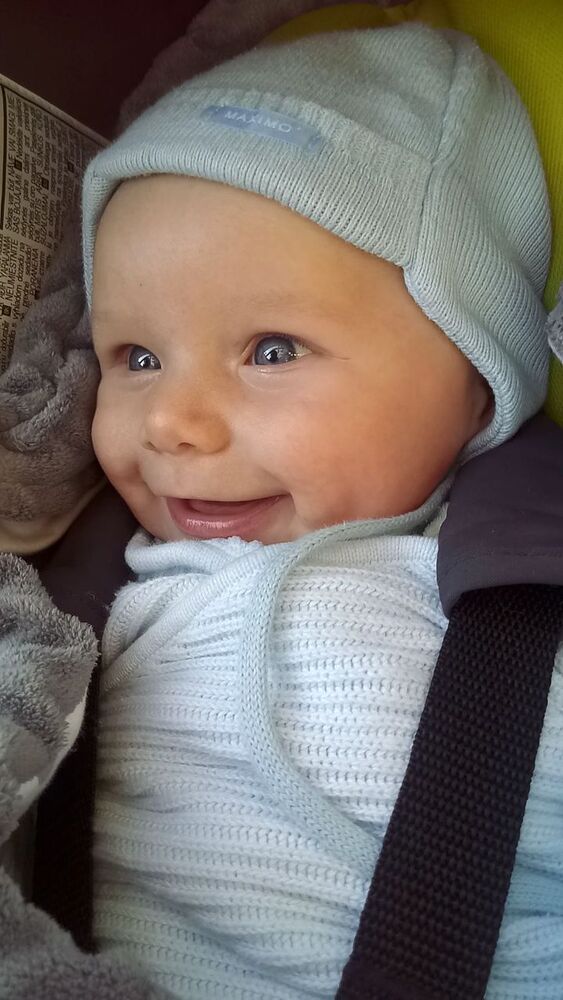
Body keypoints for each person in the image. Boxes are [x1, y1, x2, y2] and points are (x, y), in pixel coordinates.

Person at [79, 22, 562, 1000]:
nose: (169, 421)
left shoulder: (510, 591)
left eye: (271, 351)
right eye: (136, 357)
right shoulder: (85, 601)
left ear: (474, 382)